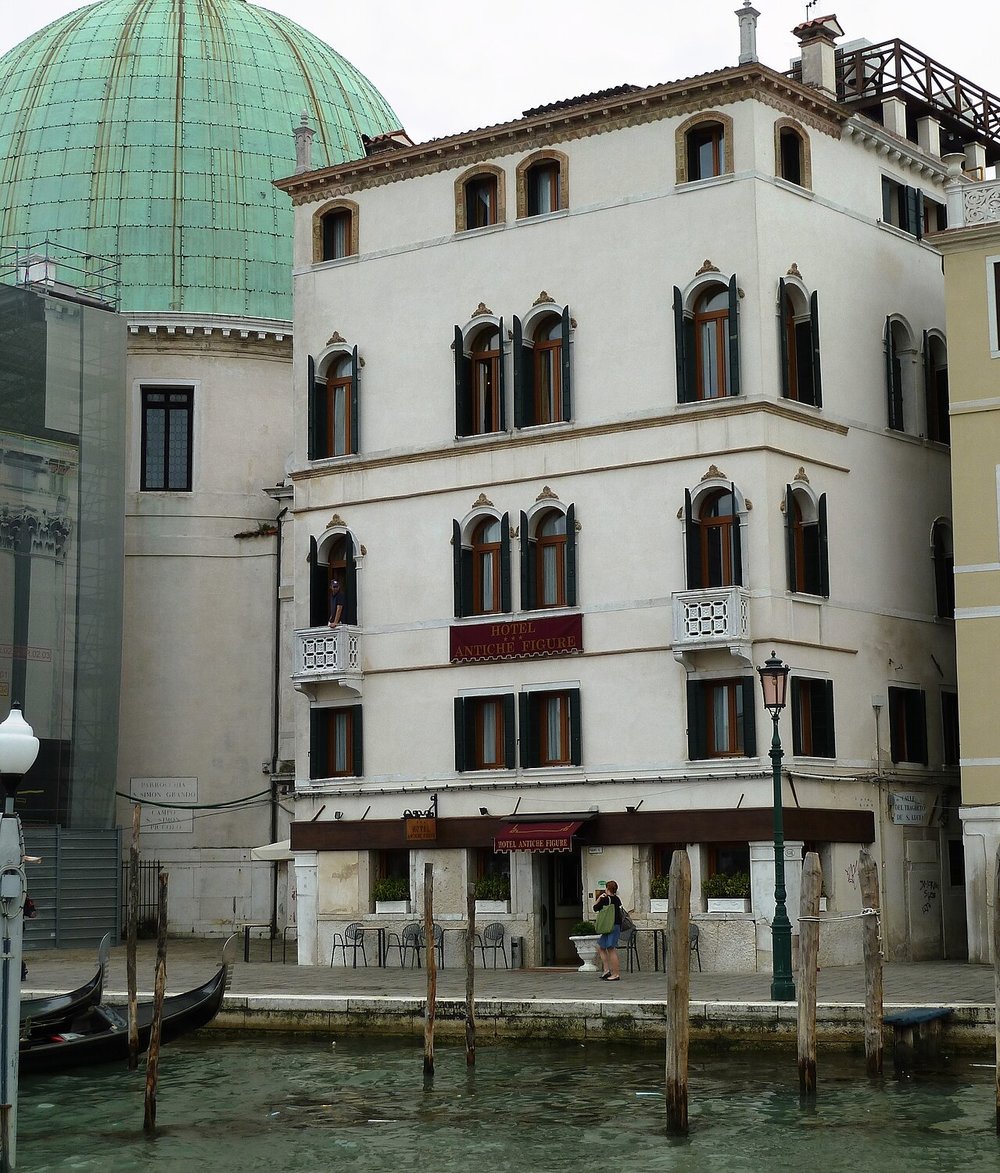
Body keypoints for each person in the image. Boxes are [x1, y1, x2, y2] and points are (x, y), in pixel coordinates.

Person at [593, 879, 622, 981]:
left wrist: (599, 898)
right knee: (601, 947)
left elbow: (595, 908)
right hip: (615, 925)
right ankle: (606, 970)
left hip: (609, 926)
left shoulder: (605, 899)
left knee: (611, 949)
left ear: (607, 888)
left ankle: (616, 974)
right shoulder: (617, 899)